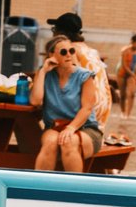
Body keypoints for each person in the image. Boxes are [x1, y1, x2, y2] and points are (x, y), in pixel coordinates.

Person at [28, 35, 101, 172]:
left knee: (69, 141)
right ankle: (40, 190)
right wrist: (43, 71)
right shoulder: (45, 75)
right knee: (50, 143)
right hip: (54, 128)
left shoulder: (84, 76)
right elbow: (35, 101)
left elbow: (87, 108)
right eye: (63, 52)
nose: (69, 55)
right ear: (52, 55)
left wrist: (71, 128)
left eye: (71, 51)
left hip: (85, 129)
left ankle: (73, 191)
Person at [116, 33, 136, 117]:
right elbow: (124, 66)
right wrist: (135, 77)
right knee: (123, 94)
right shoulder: (125, 50)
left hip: (131, 73)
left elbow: (135, 65)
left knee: (132, 94)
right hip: (121, 72)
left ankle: (128, 115)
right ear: (132, 42)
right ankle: (123, 112)